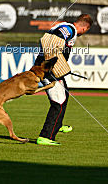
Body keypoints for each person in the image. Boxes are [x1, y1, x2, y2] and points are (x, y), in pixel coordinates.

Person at [34, 14, 92, 146]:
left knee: (65, 93)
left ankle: (57, 124)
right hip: (48, 69)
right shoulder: (69, 30)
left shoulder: (63, 25)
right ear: (85, 28)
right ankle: (45, 136)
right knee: (58, 102)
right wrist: (55, 62)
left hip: (47, 66)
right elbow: (54, 40)